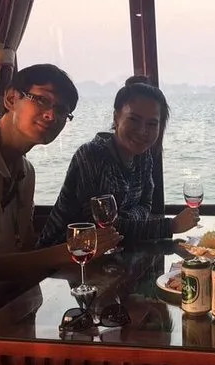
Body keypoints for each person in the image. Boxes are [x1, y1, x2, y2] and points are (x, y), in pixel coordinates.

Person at [0, 64, 122, 302]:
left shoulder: (26, 171)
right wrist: (68, 251)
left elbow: (27, 250)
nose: (51, 115)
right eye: (41, 100)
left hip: (18, 295)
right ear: (11, 99)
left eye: (62, 110)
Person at [36, 76, 199, 248]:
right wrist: (171, 226)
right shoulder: (92, 155)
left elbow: (146, 205)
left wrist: (125, 219)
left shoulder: (144, 157)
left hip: (115, 253)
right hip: (65, 255)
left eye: (152, 124)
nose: (142, 131)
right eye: (134, 120)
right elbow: (103, 230)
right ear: (116, 118)